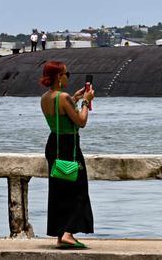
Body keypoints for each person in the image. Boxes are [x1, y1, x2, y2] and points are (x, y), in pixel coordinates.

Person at [39, 61, 95, 249]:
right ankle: (69, 233)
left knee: (59, 191)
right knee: (78, 190)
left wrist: (75, 98)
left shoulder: (46, 98)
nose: (68, 76)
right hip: (69, 147)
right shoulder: (63, 97)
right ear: (59, 77)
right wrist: (86, 101)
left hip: (53, 145)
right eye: (66, 73)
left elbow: (60, 112)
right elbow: (81, 121)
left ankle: (61, 232)